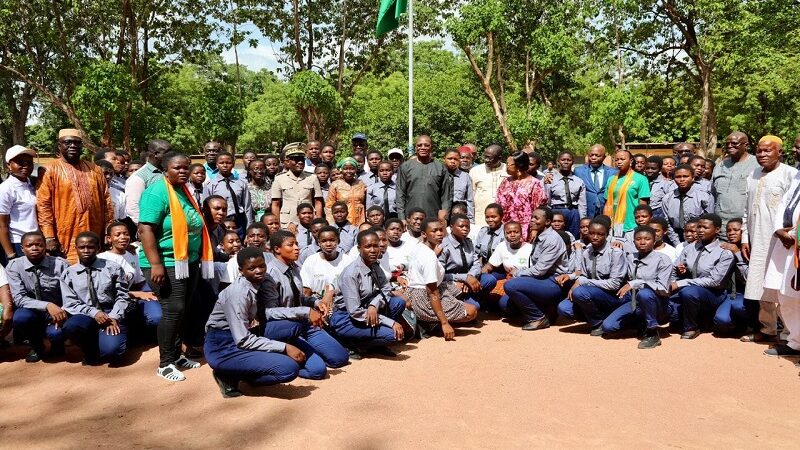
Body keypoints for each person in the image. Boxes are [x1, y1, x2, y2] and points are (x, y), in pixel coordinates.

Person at [138, 152, 216, 381]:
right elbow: (145, 230)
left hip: (186, 260)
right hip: (165, 262)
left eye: (186, 168)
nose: (183, 171)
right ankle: (165, 363)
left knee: (183, 309)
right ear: (165, 169)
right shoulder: (156, 192)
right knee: (173, 310)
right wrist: (156, 264)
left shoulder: (183, 190)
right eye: (177, 168)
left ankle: (177, 353)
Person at [204, 248, 305, 398]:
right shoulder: (238, 293)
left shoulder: (262, 281)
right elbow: (243, 340)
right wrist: (284, 347)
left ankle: (245, 367)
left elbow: (270, 311)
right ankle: (228, 375)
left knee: (292, 326)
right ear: (241, 271)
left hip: (246, 335)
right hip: (224, 346)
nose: (259, 271)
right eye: (251, 268)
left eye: (262, 266)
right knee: (288, 368)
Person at [264, 230, 349, 378]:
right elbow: (269, 312)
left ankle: (309, 351)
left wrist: (317, 302)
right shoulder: (270, 274)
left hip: (303, 322)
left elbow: (300, 297)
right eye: (291, 245)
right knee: (317, 371)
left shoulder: (295, 268)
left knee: (340, 358)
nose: (297, 248)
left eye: (297, 243)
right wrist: (305, 311)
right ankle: (284, 358)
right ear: (277, 249)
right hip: (285, 327)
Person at [741, 135, 798, 344]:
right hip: (757, 239)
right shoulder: (753, 174)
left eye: (768, 151)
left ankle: (789, 334)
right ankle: (768, 329)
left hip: (782, 242)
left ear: (779, 153)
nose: (762, 155)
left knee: (781, 286)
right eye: (759, 151)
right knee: (759, 285)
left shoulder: (791, 174)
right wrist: (745, 239)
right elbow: (747, 210)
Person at [37, 129, 113, 263]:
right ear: (59, 146)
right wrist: (49, 237)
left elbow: (106, 202)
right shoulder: (49, 169)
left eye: (77, 143)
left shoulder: (95, 169)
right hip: (64, 235)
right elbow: (43, 205)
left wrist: (108, 231)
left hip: (95, 232)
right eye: (68, 142)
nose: (73, 146)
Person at [60, 232, 130, 365]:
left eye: (90, 247)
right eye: (82, 247)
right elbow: (70, 303)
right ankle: (90, 351)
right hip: (86, 313)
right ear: (76, 249)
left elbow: (123, 295)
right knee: (71, 326)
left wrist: (114, 316)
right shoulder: (69, 273)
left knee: (113, 352)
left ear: (98, 248)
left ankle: (119, 338)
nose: (86, 251)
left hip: (111, 311)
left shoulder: (112, 267)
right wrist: (95, 313)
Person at [331, 230, 407, 352]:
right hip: (347, 318)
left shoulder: (374, 265)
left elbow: (386, 288)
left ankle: (371, 338)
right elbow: (355, 311)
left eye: (375, 245)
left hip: (367, 310)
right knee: (392, 336)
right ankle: (356, 344)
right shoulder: (351, 273)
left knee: (398, 302)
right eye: (368, 246)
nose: (373, 250)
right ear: (359, 248)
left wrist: (374, 304)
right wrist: (389, 322)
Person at [405, 218, 478, 340]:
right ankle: (429, 323)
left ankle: (433, 319)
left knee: (459, 286)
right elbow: (432, 292)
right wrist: (445, 323)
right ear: (424, 234)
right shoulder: (429, 257)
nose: (439, 233)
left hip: (425, 288)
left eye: (441, 230)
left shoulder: (421, 247)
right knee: (472, 312)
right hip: (424, 296)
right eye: (434, 231)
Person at [601, 226, 673, 349]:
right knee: (608, 327)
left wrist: (636, 283)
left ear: (654, 241)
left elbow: (663, 288)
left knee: (644, 293)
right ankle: (641, 323)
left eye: (647, 239)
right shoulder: (630, 257)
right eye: (638, 239)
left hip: (657, 303)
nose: (643, 242)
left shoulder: (663, 260)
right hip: (634, 302)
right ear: (633, 242)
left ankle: (652, 333)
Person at [6, 231, 70, 362]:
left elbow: (71, 293)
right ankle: (37, 346)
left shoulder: (61, 264)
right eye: (29, 245)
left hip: (58, 310)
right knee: (20, 318)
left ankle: (57, 345)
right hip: (32, 311)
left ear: (45, 246)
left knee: (56, 334)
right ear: (22, 249)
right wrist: (47, 305)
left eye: (39, 244)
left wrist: (64, 310)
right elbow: (19, 298)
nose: (34, 248)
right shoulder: (14, 266)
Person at [503, 207, 570, 330]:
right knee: (505, 303)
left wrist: (517, 273)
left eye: (536, 218)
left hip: (554, 282)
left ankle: (538, 318)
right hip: (542, 279)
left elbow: (539, 270)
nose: (532, 220)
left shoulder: (552, 239)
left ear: (548, 222)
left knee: (510, 286)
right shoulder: (539, 235)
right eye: (532, 217)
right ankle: (549, 311)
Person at [556, 218, 627, 335]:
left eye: (600, 234)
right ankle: (600, 320)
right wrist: (577, 279)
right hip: (592, 294)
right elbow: (582, 274)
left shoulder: (615, 253)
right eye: (592, 233)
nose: (595, 237)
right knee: (564, 308)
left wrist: (584, 282)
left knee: (580, 292)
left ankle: (598, 322)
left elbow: (614, 284)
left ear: (607, 235)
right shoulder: (586, 251)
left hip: (613, 296)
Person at [670, 214, 735, 339]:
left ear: (717, 230)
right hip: (690, 290)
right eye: (699, 227)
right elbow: (675, 268)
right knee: (668, 309)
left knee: (689, 292)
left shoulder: (724, 252)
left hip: (714, 294)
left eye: (705, 227)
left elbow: (715, 281)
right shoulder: (690, 248)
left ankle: (691, 327)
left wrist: (680, 283)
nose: (700, 230)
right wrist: (679, 273)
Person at [763, 167, 800, 356]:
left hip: (797, 243)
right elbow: (784, 205)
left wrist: (795, 236)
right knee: (787, 296)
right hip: (787, 244)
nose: (795, 151)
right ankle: (796, 342)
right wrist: (779, 230)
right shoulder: (797, 175)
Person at [98, 222, 160, 333]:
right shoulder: (101, 259)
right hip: (110, 303)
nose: (123, 237)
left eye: (125, 234)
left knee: (156, 317)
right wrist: (138, 294)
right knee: (112, 348)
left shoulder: (133, 254)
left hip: (129, 297)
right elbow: (106, 292)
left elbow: (138, 281)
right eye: (118, 235)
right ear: (109, 238)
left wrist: (147, 294)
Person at [439, 214, 497, 311]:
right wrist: (464, 278)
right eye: (461, 226)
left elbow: (476, 263)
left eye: (467, 227)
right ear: (452, 227)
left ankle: (468, 297)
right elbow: (440, 274)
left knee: (490, 280)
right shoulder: (443, 246)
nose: (465, 229)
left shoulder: (468, 242)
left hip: (469, 280)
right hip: (450, 282)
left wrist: (470, 276)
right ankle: (456, 302)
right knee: (475, 308)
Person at [397, 135, 452, 222]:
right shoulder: (405, 167)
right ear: (415, 147)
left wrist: (444, 215)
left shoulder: (440, 167)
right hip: (411, 218)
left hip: (433, 217)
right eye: (420, 145)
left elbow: (446, 195)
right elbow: (400, 194)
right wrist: (402, 218)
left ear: (431, 147)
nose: (423, 148)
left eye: (426, 145)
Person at [496, 151, 548, 241]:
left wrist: (535, 228)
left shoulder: (534, 184)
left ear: (518, 166)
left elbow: (539, 209)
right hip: (506, 228)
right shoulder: (505, 182)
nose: (506, 167)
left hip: (526, 229)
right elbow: (498, 203)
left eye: (509, 164)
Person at [0, 145, 39, 262]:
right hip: (19, 243)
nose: (25, 166)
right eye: (20, 162)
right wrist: (11, 255)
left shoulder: (32, 183)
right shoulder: (6, 189)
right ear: (8, 165)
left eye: (29, 162)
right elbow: (2, 225)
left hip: (37, 241)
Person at [271, 143, 323, 228]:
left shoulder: (312, 178)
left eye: (302, 160)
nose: (300, 162)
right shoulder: (279, 179)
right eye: (296, 160)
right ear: (288, 161)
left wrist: (318, 223)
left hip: (309, 221)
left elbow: (318, 202)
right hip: (287, 222)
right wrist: (277, 226)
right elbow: (275, 204)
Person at [204, 151, 253, 236]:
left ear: (233, 164)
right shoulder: (210, 185)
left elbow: (247, 207)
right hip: (220, 222)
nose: (225, 165)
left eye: (228, 163)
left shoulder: (241, 183)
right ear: (216, 165)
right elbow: (205, 208)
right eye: (221, 163)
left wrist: (249, 228)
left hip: (239, 222)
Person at [603, 150, 651, 238]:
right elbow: (607, 203)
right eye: (616, 160)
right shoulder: (611, 179)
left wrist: (641, 224)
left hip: (631, 225)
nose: (619, 162)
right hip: (613, 225)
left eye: (622, 159)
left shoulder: (641, 179)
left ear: (631, 161)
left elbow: (643, 204)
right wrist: (605, 223)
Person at [661, 165, 715, 241]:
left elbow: (709, 221)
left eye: (685, 176)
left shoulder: (704, 197)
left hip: (698, 237)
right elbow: (668, 222)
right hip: (676, 236)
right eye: (678, 177)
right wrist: (676, 243)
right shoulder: (667, 198)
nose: (682, 179)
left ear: (693, 178)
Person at [300, 226, 353, 298]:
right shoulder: (311, 261)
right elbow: (306, 291)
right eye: (324, 241)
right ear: (319, 243)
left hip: (343, 306)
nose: (328, 244)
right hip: (318, 305)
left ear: (338, 241)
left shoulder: (347, 261)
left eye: (332, 240)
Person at [125, 139, 169, 225]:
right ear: (156, 154)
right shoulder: (138, 177)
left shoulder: (167, 172)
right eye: (167, 153)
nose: (171, 156)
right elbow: (134, 209)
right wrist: (146, 230)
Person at [547, 151, 587, 238]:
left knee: (573, 237)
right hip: (556, 211)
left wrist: (582, 220)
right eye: (563, 160)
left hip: (573, 212)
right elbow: (547, 202)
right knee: (556, 237)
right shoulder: (550, 180)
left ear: (573, 162)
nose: (566, 162)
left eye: (569, 160)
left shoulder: (579, 181)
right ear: (558, 161)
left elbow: (582, 204)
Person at [470, 144, 508, 230]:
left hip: (504, 218)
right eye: (485, 157)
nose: (486, 160)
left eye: (489, 158)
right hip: (480, 219)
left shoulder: (508, 170)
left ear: (499, 158)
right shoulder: (475, 171)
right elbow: (471, 196)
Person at [574, 144, 617, 218]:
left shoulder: (613, 172)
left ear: (604, 157)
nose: (593, 158)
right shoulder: (578, 171)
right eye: (591, 155)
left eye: (597, 155)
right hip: (587, 213)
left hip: (606, 212)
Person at [327, 157, 367, 226]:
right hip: (343, 223)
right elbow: (329, 206)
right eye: (346, 169)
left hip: (360, 222)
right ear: (341, 170)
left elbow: (365, 203)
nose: (349, 171)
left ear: (355, 170)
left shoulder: (361, 184)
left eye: (352, 168)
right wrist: (331, 224)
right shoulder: (335, 185)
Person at [444, 149, 475, 223]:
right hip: (443, 216)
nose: (453, 161)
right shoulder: (439, 175)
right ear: (444, 159)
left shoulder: (465, 177)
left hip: (459, 216)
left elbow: (470, 200)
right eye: (450, 158)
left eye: (456, 159)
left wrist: (471, 220)